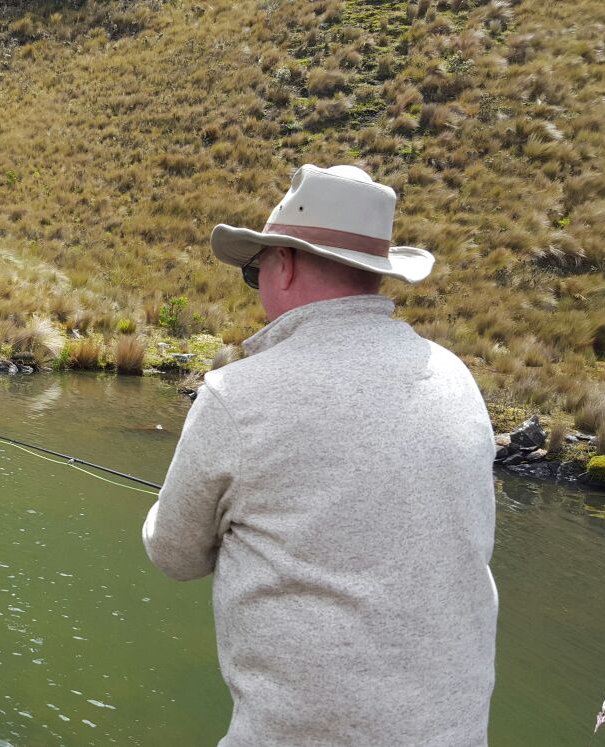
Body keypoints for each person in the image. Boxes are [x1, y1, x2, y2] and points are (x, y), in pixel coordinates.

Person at [142, 164, 498, 746]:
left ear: (282, 264)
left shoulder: (238, 395)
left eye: (253, 272)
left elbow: (174, 555)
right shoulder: (455, 377)